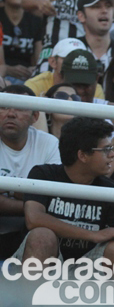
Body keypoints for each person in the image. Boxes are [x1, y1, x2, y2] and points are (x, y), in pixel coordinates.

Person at [17, 117, 114, 281]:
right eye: (106, 149)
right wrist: (93, 235)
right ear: (82, 155)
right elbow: (34, 219)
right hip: (45, 262)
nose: (112, 154)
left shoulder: (111, 189)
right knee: (41, 236)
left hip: (87, 267)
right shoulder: (43, 174)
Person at [0, 85, 59, 257]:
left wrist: (7, 190)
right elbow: (44, 200)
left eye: (20, 108)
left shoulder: (49, 143)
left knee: (43, 236)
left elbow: (54, 199)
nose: (10, 114)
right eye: (3, 107)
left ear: (35, 116)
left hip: (31, 231)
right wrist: (34, 204)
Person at [0, 0, 42, 84]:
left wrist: (32, 70)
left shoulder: (36, 21)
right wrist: (8, 69)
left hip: (27, 81)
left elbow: (38, 61)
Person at [24, 37, 103, 97]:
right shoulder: (35, 85)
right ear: (53, 62)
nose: (73, 63)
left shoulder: (93, 87)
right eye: (68, 58)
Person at [76, 0, 114, 75]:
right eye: (96, 6)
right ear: (81, 16)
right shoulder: (71, 52)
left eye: (108, 6)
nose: (104, 11)